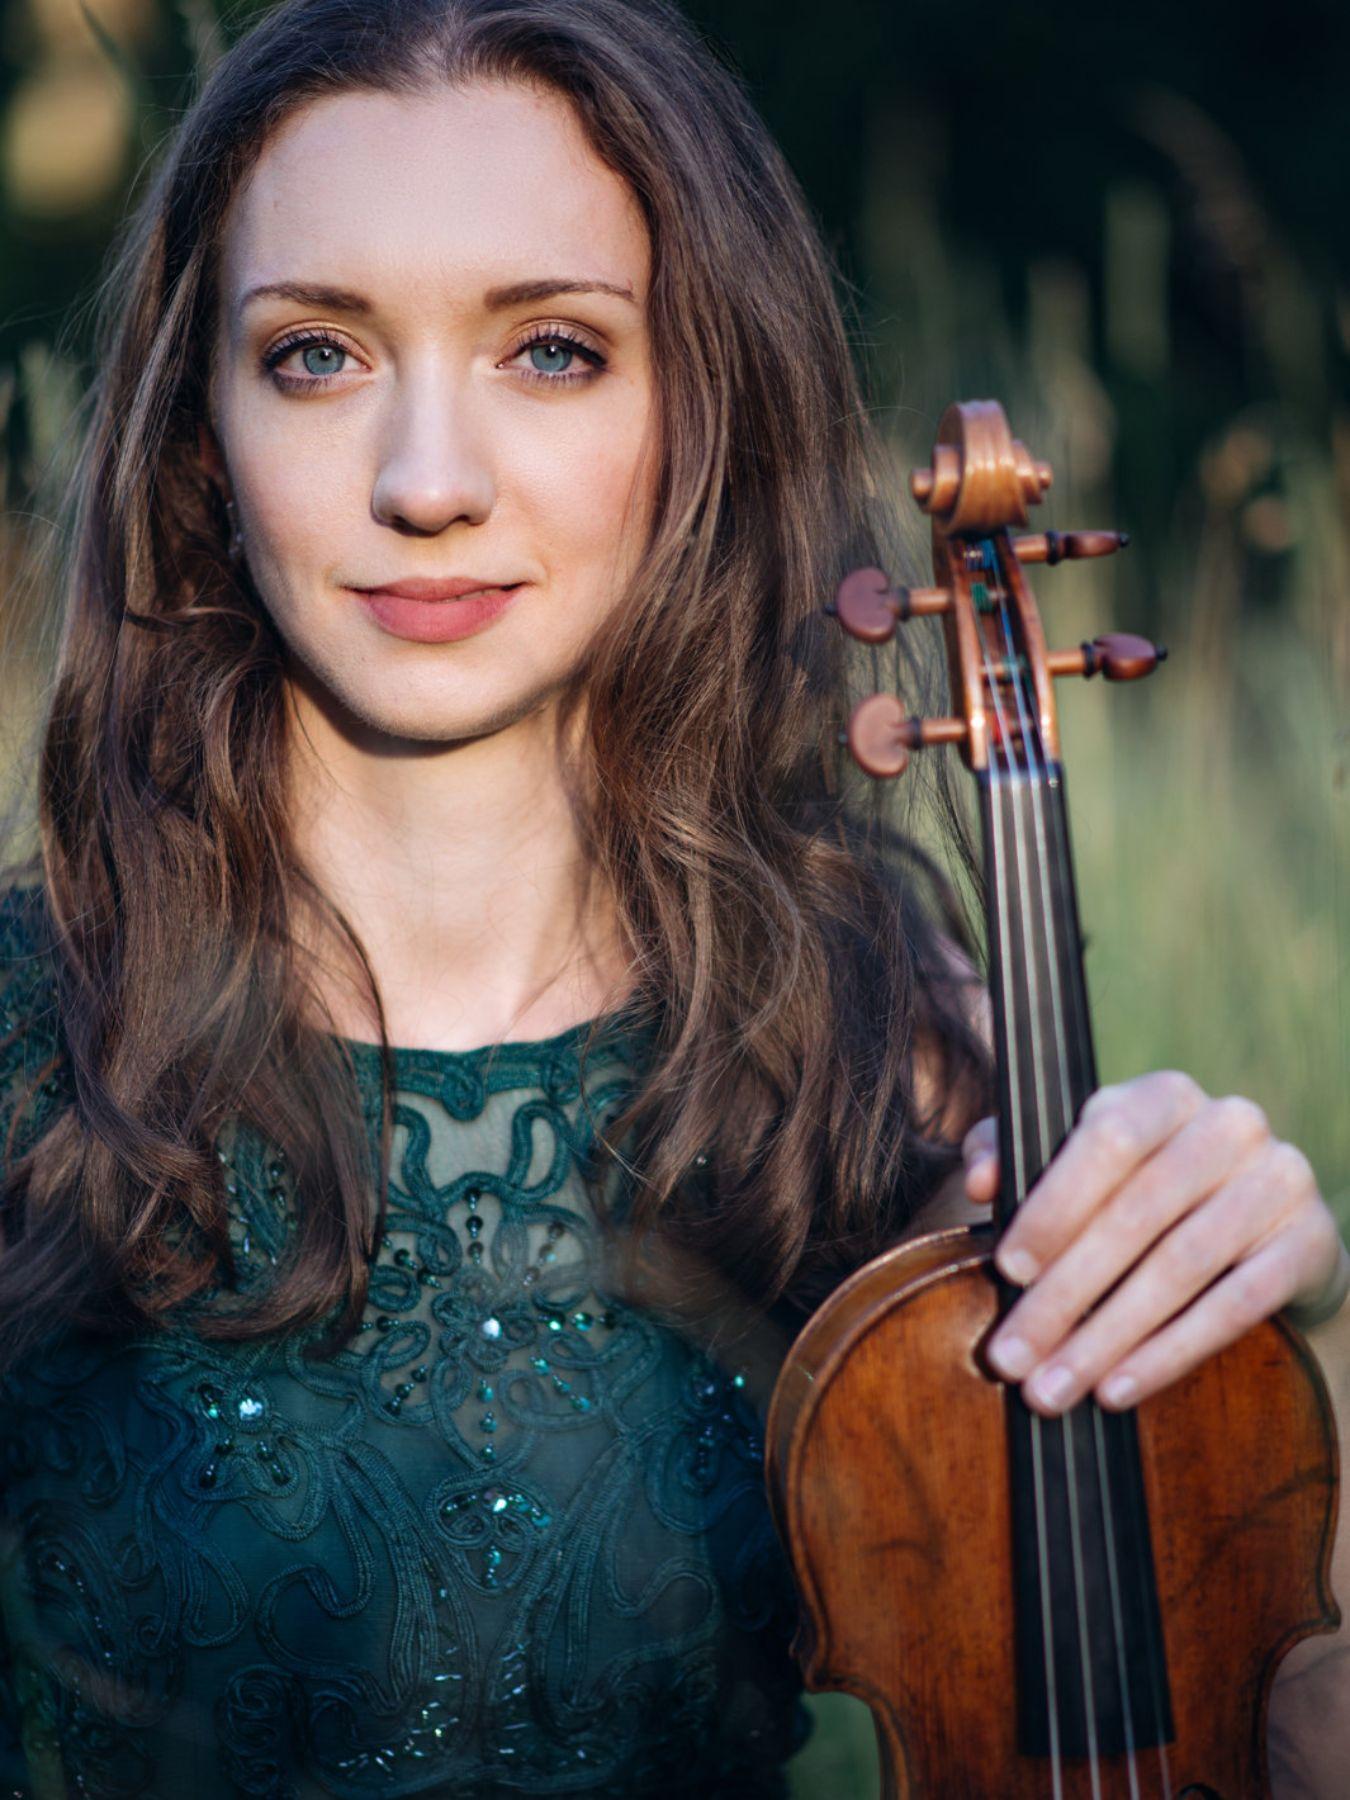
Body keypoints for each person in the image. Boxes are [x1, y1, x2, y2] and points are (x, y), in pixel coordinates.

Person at [0, 1, 1344, 1794]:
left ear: (697, 412)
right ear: (199, 437)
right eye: (316, 354)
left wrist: (1252, 1333)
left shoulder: (870, 1031)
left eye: (551, 352)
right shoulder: (31, 1036)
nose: (426, 483)